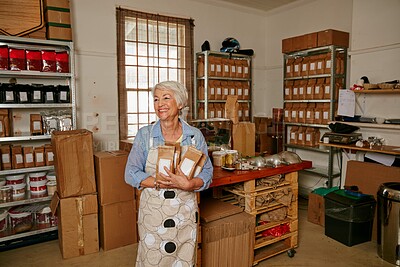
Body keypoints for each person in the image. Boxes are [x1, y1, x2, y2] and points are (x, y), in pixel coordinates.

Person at [125, 80, 213, 266]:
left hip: (184, 214)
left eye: (166, 98)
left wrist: (190, 185)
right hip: (154, 214)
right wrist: (156, 182)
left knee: (183, 259)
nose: (160, 104)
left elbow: (207, 172)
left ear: (180, 103)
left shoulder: (194, 136)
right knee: (153, 259)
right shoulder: (145, 135)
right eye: (156, 99)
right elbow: (131, 173)